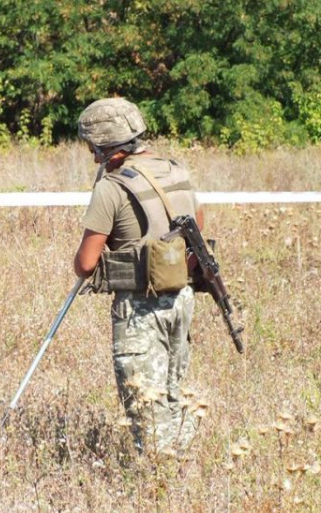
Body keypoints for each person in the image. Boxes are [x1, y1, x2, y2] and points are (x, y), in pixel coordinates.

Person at [73, 97, 205, 455]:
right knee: (173, 394)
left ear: (102, 145)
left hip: (139, 309)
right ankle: (181, 464)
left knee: (146, 406)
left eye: (92, 148)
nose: (92, 156)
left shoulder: (112, 187)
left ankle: (159, 482)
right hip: (181, 299)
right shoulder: (177, 171)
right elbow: (197, 233)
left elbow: (85, 264)